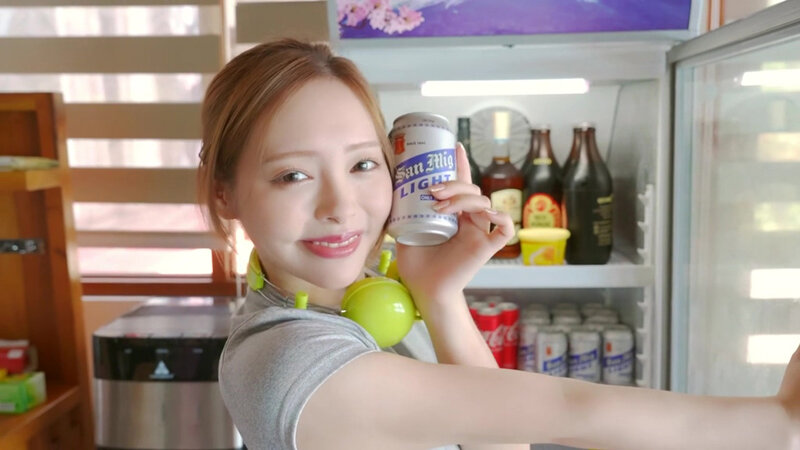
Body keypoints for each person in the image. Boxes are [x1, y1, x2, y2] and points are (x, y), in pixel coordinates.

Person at [198, 39, 800, 450]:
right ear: (225, 194)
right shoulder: (290, 363)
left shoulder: (354, 297)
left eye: (362, 164)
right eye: (292, 175)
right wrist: (776, 427)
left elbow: (500, 443)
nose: (341, 205)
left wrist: (439, 294)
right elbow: (570, 411)